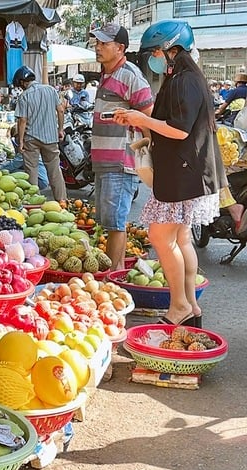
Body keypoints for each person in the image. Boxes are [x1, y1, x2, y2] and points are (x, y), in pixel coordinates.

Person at [114, 20, 226, 328]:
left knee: (161, 237)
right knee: (180, 239)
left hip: (184, 174)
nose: (153, 58)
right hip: (185, 172)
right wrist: (139, 123)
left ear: (170, 50)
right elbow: (175, 126)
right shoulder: (183, 78)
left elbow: (179, 130)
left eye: (155, 52)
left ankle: (179, 306)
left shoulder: (184, 81)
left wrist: (142, 119)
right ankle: (190, 306)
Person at [89, 23, 154, 272]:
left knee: (115, 222)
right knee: (110, 221)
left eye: (104, 43)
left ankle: (111, 276)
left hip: (121, 161)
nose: (98, 47)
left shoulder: (130, 76)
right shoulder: (107, 74)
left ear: (120, 48)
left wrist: (146, 157)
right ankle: (116, 273)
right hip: (105, 162)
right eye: (97, 43)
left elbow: (149, 119)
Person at [13, 65, 67, 202]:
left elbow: (22, 120)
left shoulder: (24, 96)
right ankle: (62, 201)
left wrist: (20, 141)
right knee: (55, 171)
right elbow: (60, 110)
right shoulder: (50, 90)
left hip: (31, 138)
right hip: (51, 138)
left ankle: (33, 203)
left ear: (22, 82)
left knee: (31, 171)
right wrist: (60, 129)